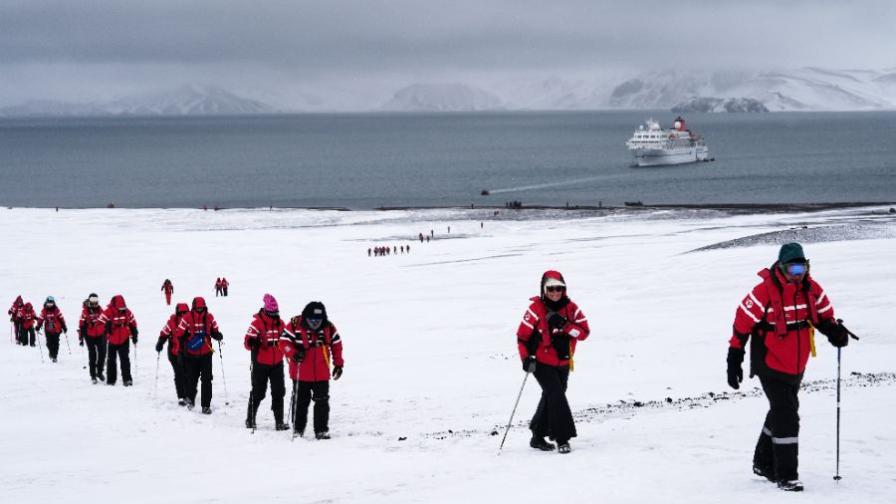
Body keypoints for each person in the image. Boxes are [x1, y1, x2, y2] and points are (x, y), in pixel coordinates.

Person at [727, 243, 849, 492]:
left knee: (782, 409)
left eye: (803, 267)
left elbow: (823, 316)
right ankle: (786, 475)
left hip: (796, 364)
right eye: (794, 268)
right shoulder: (763, 292)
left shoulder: (811, 289)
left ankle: (762, 462)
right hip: (769, 362)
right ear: (782, 268)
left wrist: (835, 331)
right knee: (787, 415)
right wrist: (734, 357)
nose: (799, 273)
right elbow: (742, 321)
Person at [516, 270, 590, 454]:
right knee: (556, 394)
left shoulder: (572, 308)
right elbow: (522, 337)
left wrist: (565, 325)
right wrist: (525, 358)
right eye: (551, 289)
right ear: (544, 289)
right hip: (541, 362)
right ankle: (562, 438)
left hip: (564, 361)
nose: (555, 292)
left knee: (552, 395)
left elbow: (583, 334)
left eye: (559, 288)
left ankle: (537, 434)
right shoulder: (535, 309)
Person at [281, 301, 344, 439]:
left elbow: (337, 345)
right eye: (311, 320)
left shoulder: (329, 327)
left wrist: (338, 364)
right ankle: (298, 430)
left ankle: (321, 430)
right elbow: (283, 342)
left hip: (321, 372)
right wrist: (293, 353)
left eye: (318, 320)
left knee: (322, 401)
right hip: (300, 372)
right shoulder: (294, 324)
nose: (315, 323)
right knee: (300, 402)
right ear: (306, 317)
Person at [244, 294, 289, 430]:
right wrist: (252, 342)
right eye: (272, 313)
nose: (275, 315)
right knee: (258, 392)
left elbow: (286, 342)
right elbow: (246, 343)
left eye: (277, 312)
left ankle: (279, 422)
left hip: (277, 364)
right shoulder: (256, 323)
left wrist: (292, 353)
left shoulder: (281, 324)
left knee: (279, 391)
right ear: (266, 311)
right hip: (260, 363)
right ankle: (250, 419)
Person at [174, 297, 222, 413]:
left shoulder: (209, 317)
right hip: (191, 354)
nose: (200, 309)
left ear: (204, 307)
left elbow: (214, 330)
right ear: (194, 307)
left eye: (201, 308)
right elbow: (179, 333)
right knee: (191, 379)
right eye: (198, 308)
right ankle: (190, 399)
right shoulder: (187, 318)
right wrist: (182, 347)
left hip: (206, 353)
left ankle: (206, 405)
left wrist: (218, 335)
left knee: (207, 380)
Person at [156, 302, 190, 405]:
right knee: (179, 373)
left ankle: (188, 393)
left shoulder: (191, 321)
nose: (183, 315)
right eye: (181, 313)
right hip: (174, 353)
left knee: (188, 374)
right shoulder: (172, 322)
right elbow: (164, 333)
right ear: (177, 312)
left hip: (188, 353)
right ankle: (181, 396)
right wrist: (160, 343)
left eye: (185, 312)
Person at [101, 295, 138, 386]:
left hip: (124, 339)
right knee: (111, 360)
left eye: (123, 307)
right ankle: (111, 380)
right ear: (115, 306)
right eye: (120, 308)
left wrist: (134, 335)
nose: (122, 309)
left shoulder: (127, 312)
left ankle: (127, 379)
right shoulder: (108, 311)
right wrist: (106, 326)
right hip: (112, 339)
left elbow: (133, 323)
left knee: (125, 359)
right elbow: (99, 323)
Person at [79, 294, 107, 383]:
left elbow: (105, 320)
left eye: (96, 299)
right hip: (89, 335)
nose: (95, 302)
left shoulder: (100, 309)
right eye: (93, 299)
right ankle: (93, 376)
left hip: (100, 334)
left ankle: (99, 372)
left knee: (102, 353)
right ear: (89, 300)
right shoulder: (85, 311)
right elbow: (81, 325)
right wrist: (81, 337)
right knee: (92, 354)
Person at [36, 296, 67, 362]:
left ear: (53, 303)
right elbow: (41, 319)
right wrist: (38, 326)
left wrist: (64, 326)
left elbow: (61, 318)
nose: (50, 305)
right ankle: (51, 352)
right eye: (48, 304)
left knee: (56, 343)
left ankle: (54, 356)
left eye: (51, 304)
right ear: (46, 303)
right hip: (48, 329)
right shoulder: (44, 311)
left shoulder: (56, 310)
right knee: (49, 343)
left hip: (57, 328)